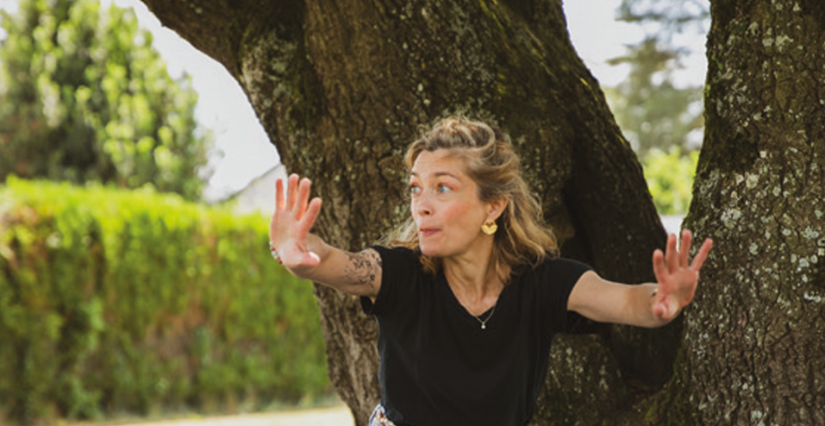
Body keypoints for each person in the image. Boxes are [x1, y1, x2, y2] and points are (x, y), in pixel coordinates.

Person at [268, 116, 713, 426]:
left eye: (443, 188)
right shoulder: (402, 275)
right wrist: (303, 252)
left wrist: (662, 301)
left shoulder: (544, 282)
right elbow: (341, 264)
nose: (421, 205)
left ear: (493, 206)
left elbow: (627, 301)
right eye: (416, 189)